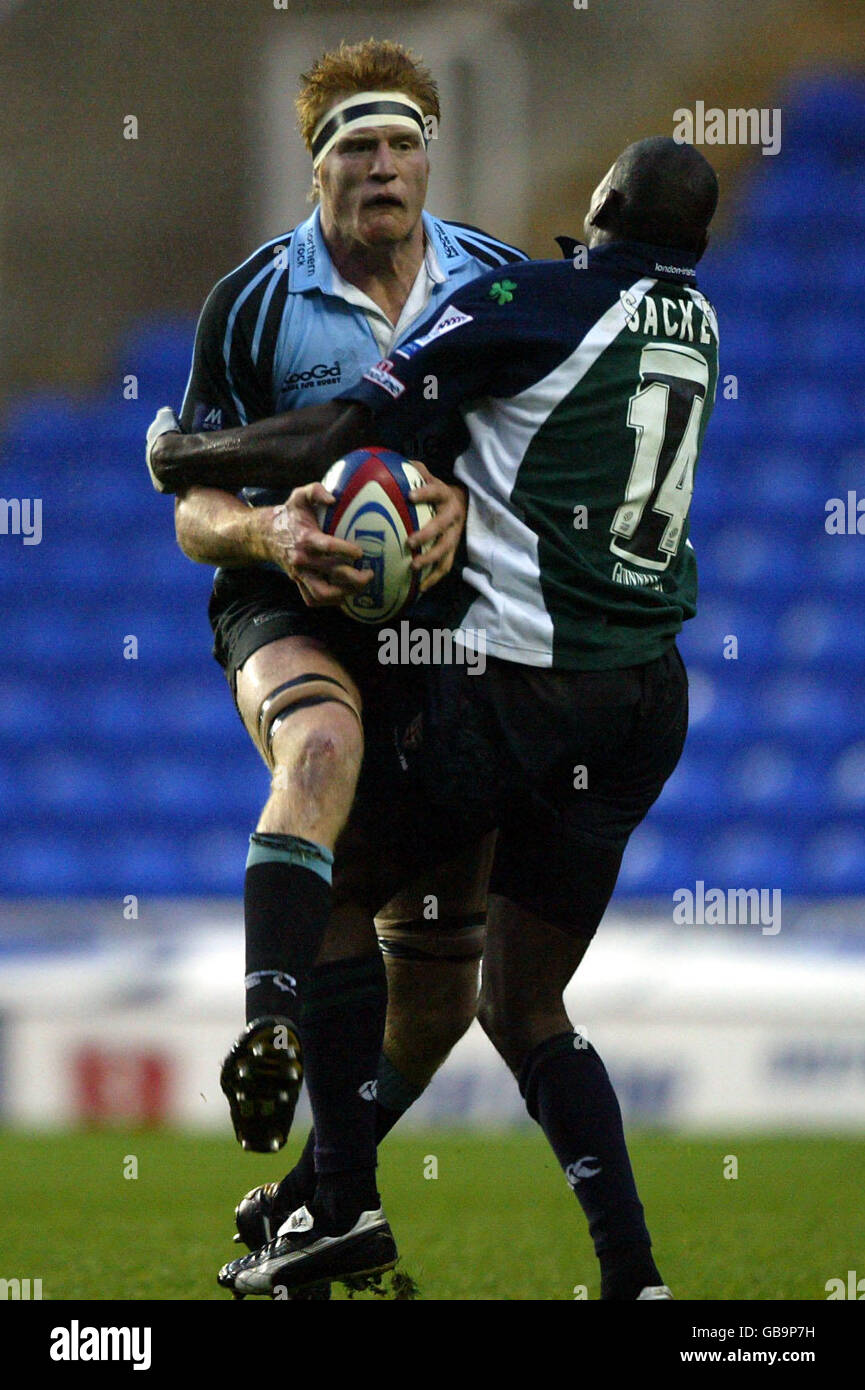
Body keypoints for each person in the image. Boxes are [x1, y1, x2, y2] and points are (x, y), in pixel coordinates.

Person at [164, 135, 720, 1300]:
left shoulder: (520, 299)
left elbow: (340, 435)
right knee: (521, 1002)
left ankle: (344, 1207)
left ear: (601, 202)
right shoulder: (699, 329)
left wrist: (184, 453)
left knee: (326, 876)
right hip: (646, 703)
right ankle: (638, 1282)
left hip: (525, 689)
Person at [146, 38, 526, 1246]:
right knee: (313, 752)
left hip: (445, 623)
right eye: (356, 147)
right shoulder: (254, 298)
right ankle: (268, 1016)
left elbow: (543, 460)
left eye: (403, 142)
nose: (382, 166)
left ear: (429, 159)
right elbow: (191, 509)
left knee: (439, 990)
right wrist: (268, 529)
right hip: (291, 600)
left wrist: (474, 509)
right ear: (316, 172)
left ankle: (324, 1192)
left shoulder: (498, 285)